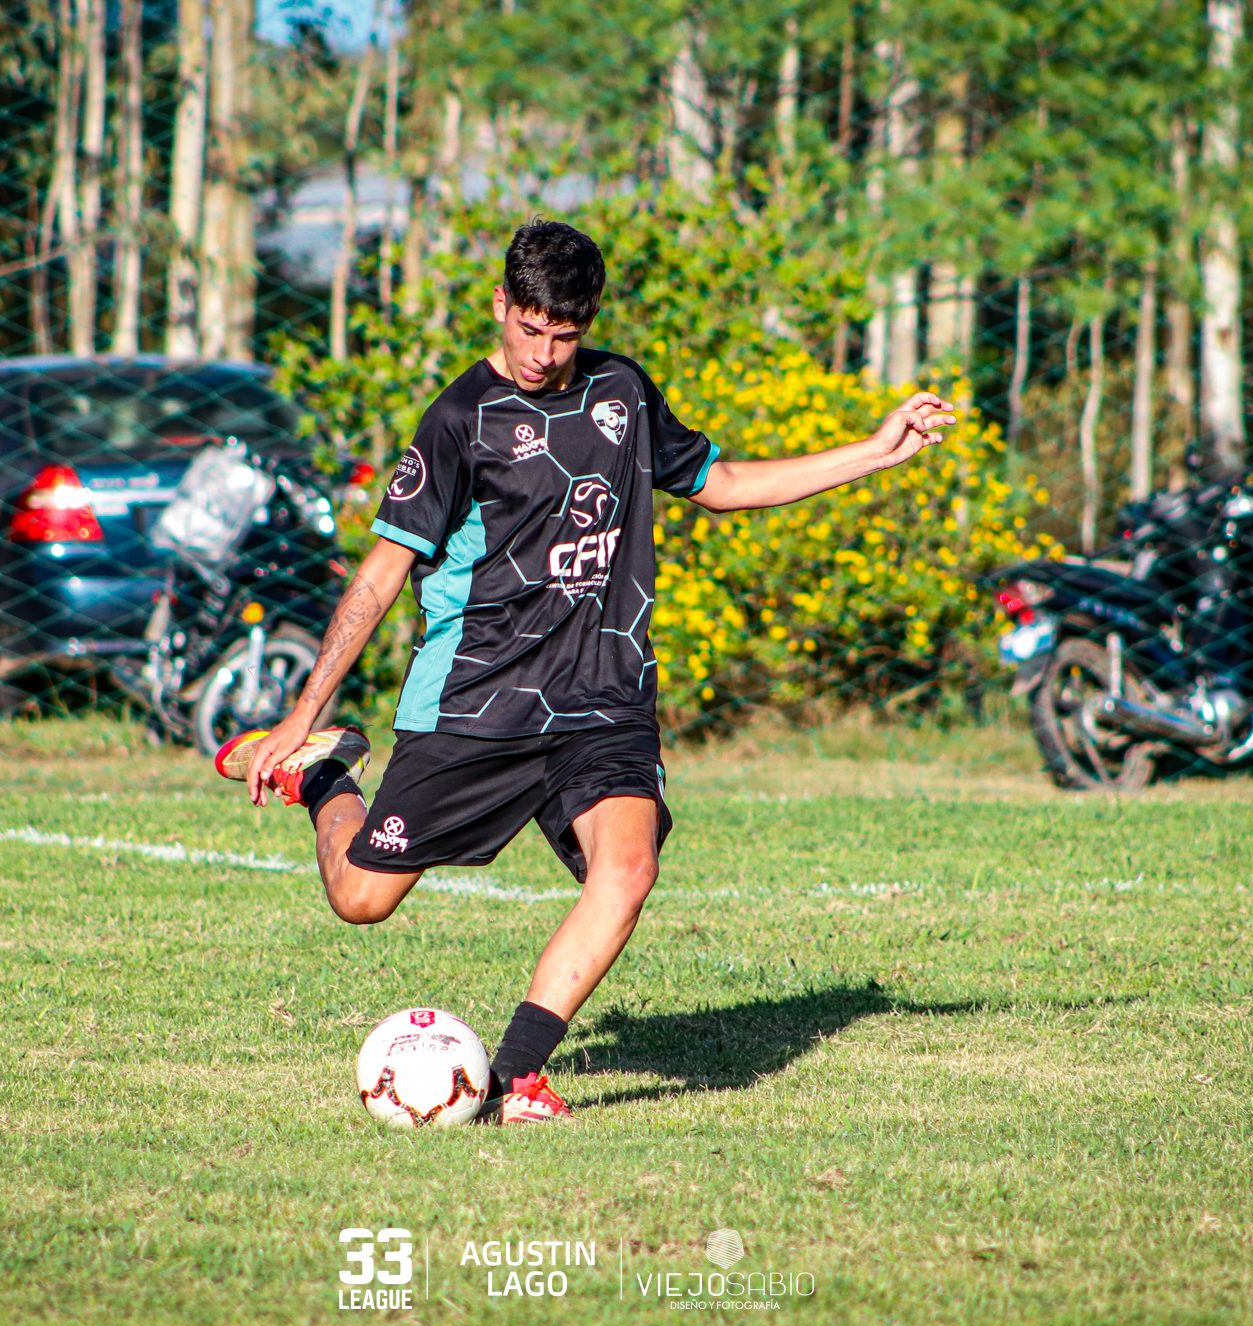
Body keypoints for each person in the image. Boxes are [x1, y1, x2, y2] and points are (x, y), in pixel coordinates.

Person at [216, 219, 953, 1124]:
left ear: (588, 323)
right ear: (501, 305)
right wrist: (301, 716)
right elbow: (381, 573)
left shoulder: (623, 392)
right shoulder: (459, 420)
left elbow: (722, 484)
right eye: (529, 329)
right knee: (361, 899)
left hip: (603, 691)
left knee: (628, 868)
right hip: (478, 694)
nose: (542, 353)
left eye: (563, 335)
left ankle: (516, 1077)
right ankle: (328, 774)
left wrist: (875, 450)